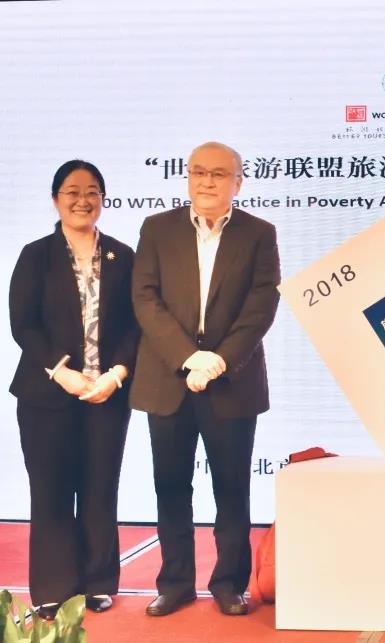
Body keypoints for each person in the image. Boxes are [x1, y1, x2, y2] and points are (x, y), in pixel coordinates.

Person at [130, 141, 280, 617]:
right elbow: (145, 298)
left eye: (218, 174)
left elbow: (262, 304)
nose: (206, 182)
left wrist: (218, 360)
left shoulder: (259, 233)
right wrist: (187, 357)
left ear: (239, 182)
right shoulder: (157, 228)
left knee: (232, 490)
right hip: (167, 379)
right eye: (198, 172)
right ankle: (175, 583)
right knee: (171, 486)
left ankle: (230, 583)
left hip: (231, 380)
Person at [9, 160, 137, 619]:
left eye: (92, 191)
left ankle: (98, 583)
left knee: (100, 489)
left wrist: (115, 374)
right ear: (55, 199)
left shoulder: (123, 256)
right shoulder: (35, 255)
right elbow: (23, 324)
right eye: (72, 191)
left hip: (107, 393)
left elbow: (136, 324)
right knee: (51, 491)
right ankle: (53, 590)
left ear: (103, 198)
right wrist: (61, 371)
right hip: (47, 395)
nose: (83, 200)